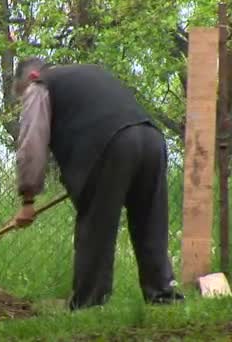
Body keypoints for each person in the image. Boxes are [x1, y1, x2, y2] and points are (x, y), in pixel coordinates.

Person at [11, 57, 184, 310]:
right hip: (151, 139)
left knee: (96, 226)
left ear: (28, 78)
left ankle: (89, 305)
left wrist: (28, 199)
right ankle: (163, 296)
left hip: (110, 146)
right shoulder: (90, 71)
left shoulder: (39, 86)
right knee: (150, 223)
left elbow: (32, 143)